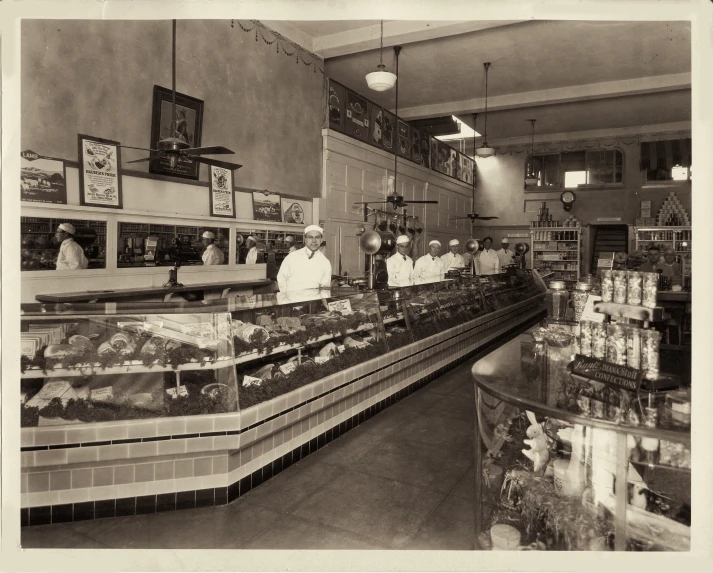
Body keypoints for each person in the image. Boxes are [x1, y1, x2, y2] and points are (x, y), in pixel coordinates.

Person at [276, 225, 332, 293]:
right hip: (292, 301)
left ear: (321, 240)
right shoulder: (291, 257)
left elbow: (325, 288)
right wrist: (286, 299)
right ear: (305, 239)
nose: (314, 241)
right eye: (310, 237)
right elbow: (281, 278)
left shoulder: (325, 262)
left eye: (317, 237)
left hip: (314, 301)